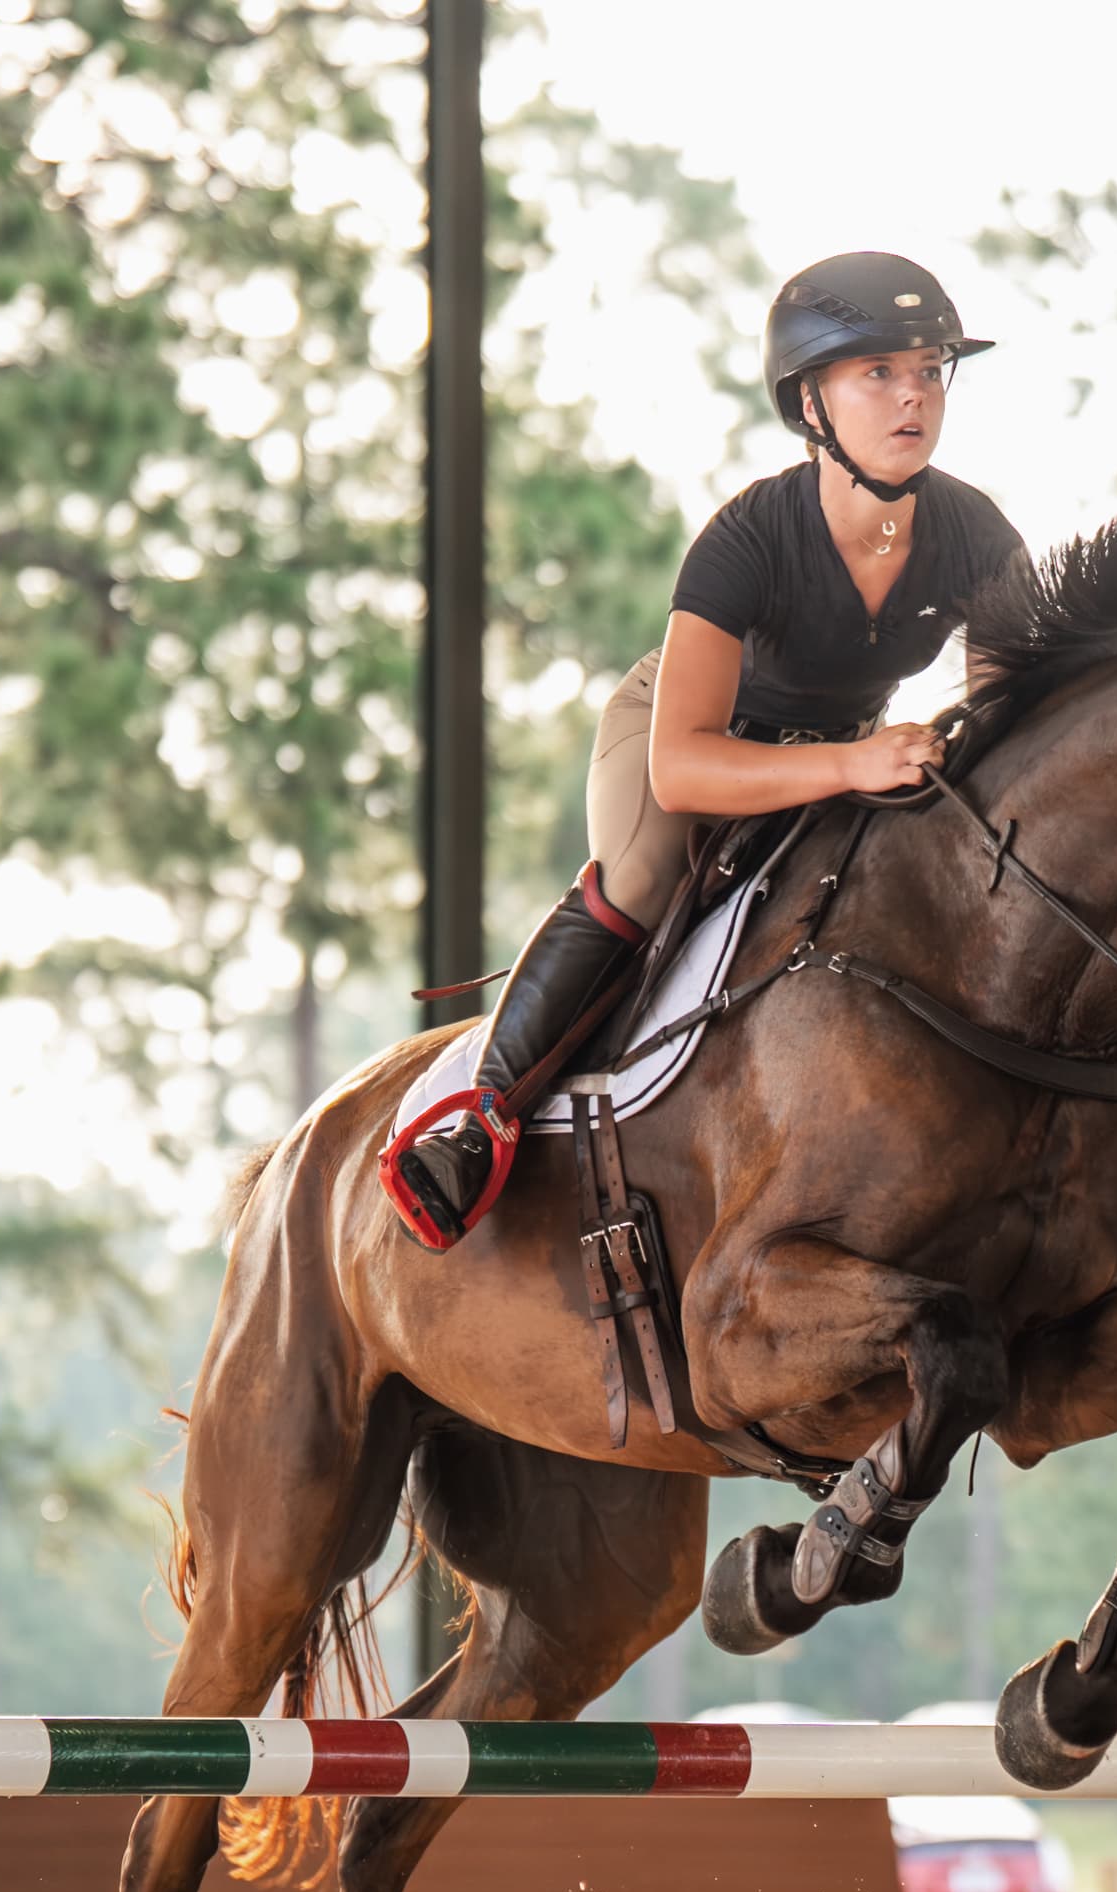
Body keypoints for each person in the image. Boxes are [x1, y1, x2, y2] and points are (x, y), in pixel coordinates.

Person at [379, 250, 1032, 1250]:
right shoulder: (750, 538)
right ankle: (482, 1118)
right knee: (643, 874)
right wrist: (857, 765)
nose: (915, 397)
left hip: (839, 755)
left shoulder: (979, 534)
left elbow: (1009, 720)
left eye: (929, 371)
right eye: (879, 374)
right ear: (811, 406)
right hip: (683, 736)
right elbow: (683, 767)